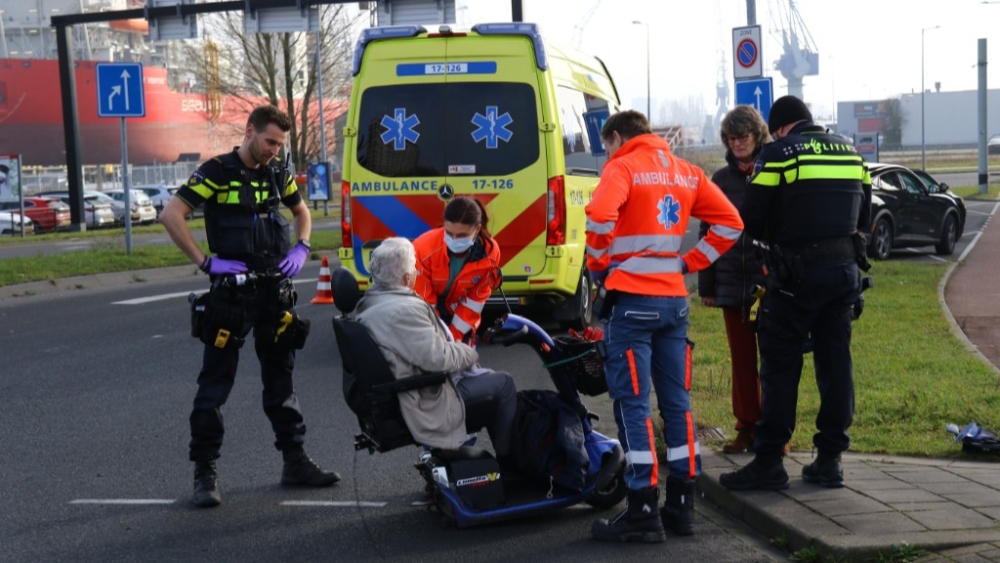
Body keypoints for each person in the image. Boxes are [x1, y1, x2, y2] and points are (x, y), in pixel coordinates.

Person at [160, 104, 340, 508]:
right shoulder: (216, 172)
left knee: (282, 384)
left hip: (273, 291)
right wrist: (206, 262)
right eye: (270, 141)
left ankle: (295, 462)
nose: (275, 150)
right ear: (249, 131)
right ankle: (204, 473)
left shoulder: (278, 172)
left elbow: (301, 210)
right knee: (214, 387)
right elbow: (172, 214)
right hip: (231, 295)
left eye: (280, 144)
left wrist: (303, 245)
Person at [585, 110, 744, 543]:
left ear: (618, 137)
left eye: (607, 146)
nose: (607, 154)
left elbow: (599, 217)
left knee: (632, 405)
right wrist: (687, 263)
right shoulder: (686, 171)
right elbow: (732, 223)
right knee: (677, 403)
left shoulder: (623, 167)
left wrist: (600, 266)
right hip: (674, 301)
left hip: (632, 303)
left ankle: (641, 508)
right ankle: (681, 506)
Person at [719, 95, 871, 492]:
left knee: (780, 367)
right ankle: (830, 460)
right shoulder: (850, 152)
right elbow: (865, 215)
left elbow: (750, 218)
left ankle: (769, 460)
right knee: (836, 365)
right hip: (844, 274)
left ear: (780, 126)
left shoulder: (780, 153)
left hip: (794, 279)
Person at [350, 237, 517, 464]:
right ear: (407, 278)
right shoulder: (403, 311)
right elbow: (439, 359)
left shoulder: (371, 302)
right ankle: (510, 465)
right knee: (504, 384)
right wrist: (470, 353)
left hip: (403, 390)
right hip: (423, 397)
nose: (417, 275)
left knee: (489, 380)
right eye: (415, 272)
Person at [699, 106, 769, 454]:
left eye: (744, 136)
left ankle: (774, 431)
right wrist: (707, 286)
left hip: (767, 285)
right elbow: (706, 230)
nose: (738, 143)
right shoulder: (720, 180)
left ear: (758, 135)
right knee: (742, 362)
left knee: (773, 361)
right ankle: (746, 428)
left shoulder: (774, 170)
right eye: (731, 137)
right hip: (729, 284)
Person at [413, 196, 501, 344]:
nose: (454, 239)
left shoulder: (489, 253)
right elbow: (425, 303)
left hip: (459, 311)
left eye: (461, 235)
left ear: (477, 229)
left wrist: (454, 340)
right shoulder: (423, 248)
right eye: (449, 233)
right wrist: (439, 340)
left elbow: (474, 303)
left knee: (463, 357)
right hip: (429, 312)